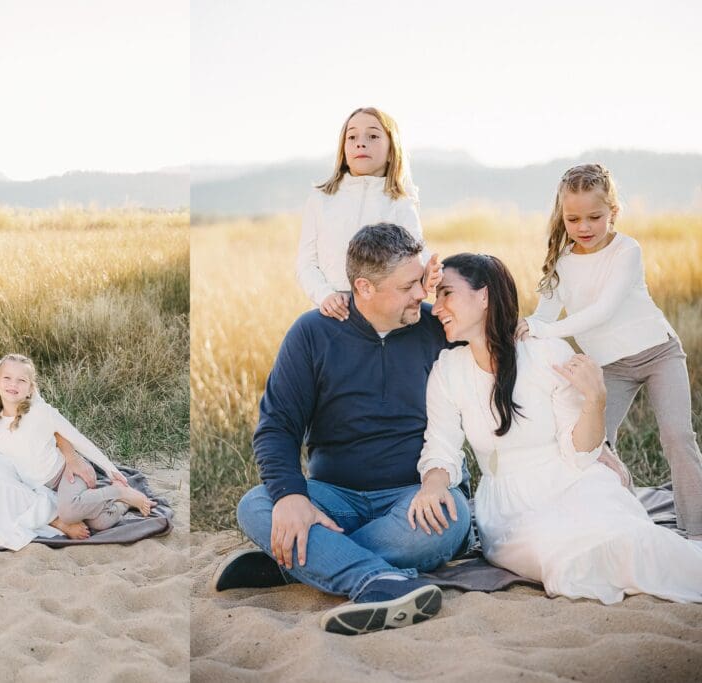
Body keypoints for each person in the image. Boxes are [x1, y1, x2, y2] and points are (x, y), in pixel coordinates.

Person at [217, 223, 472, 636]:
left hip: (410, 498)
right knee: (258, 504)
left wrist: (514, 326)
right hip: (333, 497)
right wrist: (292, 497)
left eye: (422, 279)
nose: (421, 294)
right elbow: (277, 426)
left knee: (454, 514)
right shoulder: (313, 333)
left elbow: (492, 346)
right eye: (409, 285)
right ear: (365, 288)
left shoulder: (435, 329)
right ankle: (374, 579)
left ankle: (301, 561)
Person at [415, 253, 702, 603]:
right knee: (563, 554)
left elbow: (580, 454)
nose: (437, 305)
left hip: (574, 480)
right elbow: (441, 446)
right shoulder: (448, 370)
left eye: (446, 293)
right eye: (436, 295)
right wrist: (432, 484)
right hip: (510, 510)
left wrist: (595, 399)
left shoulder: (547, 352)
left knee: (631, 537)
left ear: (484, 295)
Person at [516, 163, 702, 538]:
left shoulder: (627, 250)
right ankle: (622, 521)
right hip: (610, 368)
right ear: (562, 217)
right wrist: (526, 328)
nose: (584, 227)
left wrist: (544, 329)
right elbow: (543, 316)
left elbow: (603, 310)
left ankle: (697, 530)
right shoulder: (560, 263)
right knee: (594, 445)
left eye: (594, 217)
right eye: (574, 218)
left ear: (613, 213)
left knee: (676, 437)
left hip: (658, 355)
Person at [0, 354, 154, 549]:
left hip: (66, 475)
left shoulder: (41, 413)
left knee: (68, 512)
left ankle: (118, 492)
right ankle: (124, 504)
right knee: (99, 523)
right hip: (41, 488)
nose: (13, 384)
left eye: (21, 380)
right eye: (6, 378)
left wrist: (111, 469)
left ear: (30, 389)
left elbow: (79, 439)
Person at [297, 106, 438, 322]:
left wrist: (429, 272)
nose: (360, 142)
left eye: (373, 136)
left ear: (392, 150)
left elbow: (417, 253)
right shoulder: (321, 199)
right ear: (343, 150)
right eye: (352, 136)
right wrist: (325, 295)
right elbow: (306, 263)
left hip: (383, 313)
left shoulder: (400, 201)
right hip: (335, 312)